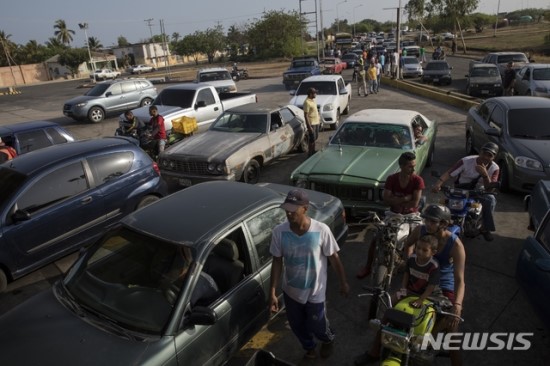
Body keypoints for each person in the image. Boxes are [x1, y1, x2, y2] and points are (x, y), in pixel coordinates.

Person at [355, 205, 466, 366]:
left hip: (441, 288)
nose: (427, 224)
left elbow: (460, 280)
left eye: (432, 221)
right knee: (390, 312)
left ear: (443, 223)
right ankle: (374, 352)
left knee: (452, 328)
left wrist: (457, 305)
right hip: (417, 281)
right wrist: (410, 265)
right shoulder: (420, 231)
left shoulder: (455, 245)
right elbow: (408, 245)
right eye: (426, 219)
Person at [269, 189, 350, 362]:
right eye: (287, 208)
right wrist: (273, 292)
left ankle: (328, 339)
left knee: (318, 326)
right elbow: (277, 261)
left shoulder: (321, 230)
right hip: (291, 292)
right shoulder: (279, 232)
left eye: (293, 208)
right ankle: (310, 348)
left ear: (305, 208)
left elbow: (334, 258)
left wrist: (343, 282)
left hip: (315, 293)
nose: (289, 212)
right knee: (297, 326)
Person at [356, 152, 425, 279]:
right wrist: (405, 198)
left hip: (411, 215)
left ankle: (411, 272)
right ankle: (368, 266)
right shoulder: (392, 179)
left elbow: (414, 202)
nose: (413, 169)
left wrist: (396, 200)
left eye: (414, 166)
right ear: (402, 166)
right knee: (377, 237)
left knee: (416, 241)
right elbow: (386, 199)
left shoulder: (417, 180)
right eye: (410, 166)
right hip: (393, 214)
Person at [431, 141, 500, 241]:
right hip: (461, 189)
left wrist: (485, 175)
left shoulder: (495, 168)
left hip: (479, 191)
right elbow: (449, 173)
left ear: (494, 157)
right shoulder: (466, 161)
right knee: (444, 205)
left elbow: (490, 188)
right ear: (480, 152)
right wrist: (438, 184)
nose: (485, 157)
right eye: (484, 153)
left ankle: (485, 228)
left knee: (491, 199)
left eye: (489, 155)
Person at [399, 234, 440, 308]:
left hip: (428, 295)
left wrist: (421, 299)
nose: (420, 251)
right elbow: (406, 274)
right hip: (411, 291)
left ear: (433, 252)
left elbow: (431, 286)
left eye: (425, 250)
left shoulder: (434, 266)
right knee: (393, 301)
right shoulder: (411, 259)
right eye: (418, 248)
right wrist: (403, 288)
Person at [303, 87, 320, 156]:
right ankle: (310, 154)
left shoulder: (312, 100)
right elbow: (306, 115)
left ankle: (313, 151)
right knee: (312, 139)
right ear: (310, 94)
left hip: (316, 122)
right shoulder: (307, 102)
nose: (316, 94)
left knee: (315, 138)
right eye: (314, 93)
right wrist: (309, 126)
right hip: (312, 124)